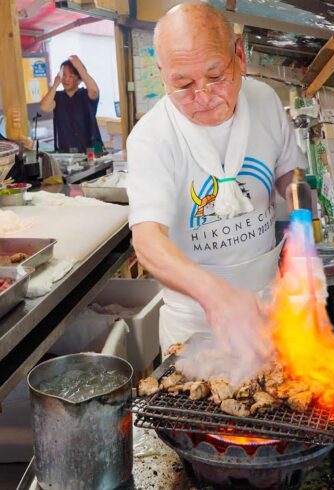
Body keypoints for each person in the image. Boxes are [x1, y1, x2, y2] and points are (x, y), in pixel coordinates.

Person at [126, 2, 306, 354]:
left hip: (273, 306)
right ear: (162, 73)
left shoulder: (264, 100)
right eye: (183, 84)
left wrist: (302, 214)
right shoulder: (151, 138)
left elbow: (290, 171)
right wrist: (218, 297)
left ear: (238, 54)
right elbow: (147, 240)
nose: (203, 96)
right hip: (195, 326)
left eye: (216, 76)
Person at [39, 56, 102, 153]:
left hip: (93, 151)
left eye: (71, 76)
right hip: (66, 153)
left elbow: (94, 91)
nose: (66, 79)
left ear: (79, 80)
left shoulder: (86, 95)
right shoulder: (57, 97)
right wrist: (55, 84)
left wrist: (79, 67)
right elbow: (44, 107)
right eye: (63, 75)